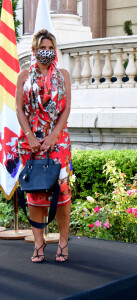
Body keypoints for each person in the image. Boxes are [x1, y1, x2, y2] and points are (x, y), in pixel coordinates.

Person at [16, 29, 72, 263]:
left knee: (61, 194)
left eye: (50, 47)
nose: (46, 52)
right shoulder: (23, 76)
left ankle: (63, 242)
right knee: (34, 193)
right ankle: (38, 244)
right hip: (31, 142)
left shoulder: (63, 75)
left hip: (57, 141)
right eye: (42, 48)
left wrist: (54, 135)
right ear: (34, 50)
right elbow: (19, 108)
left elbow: (67, 108)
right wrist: (30, 136)